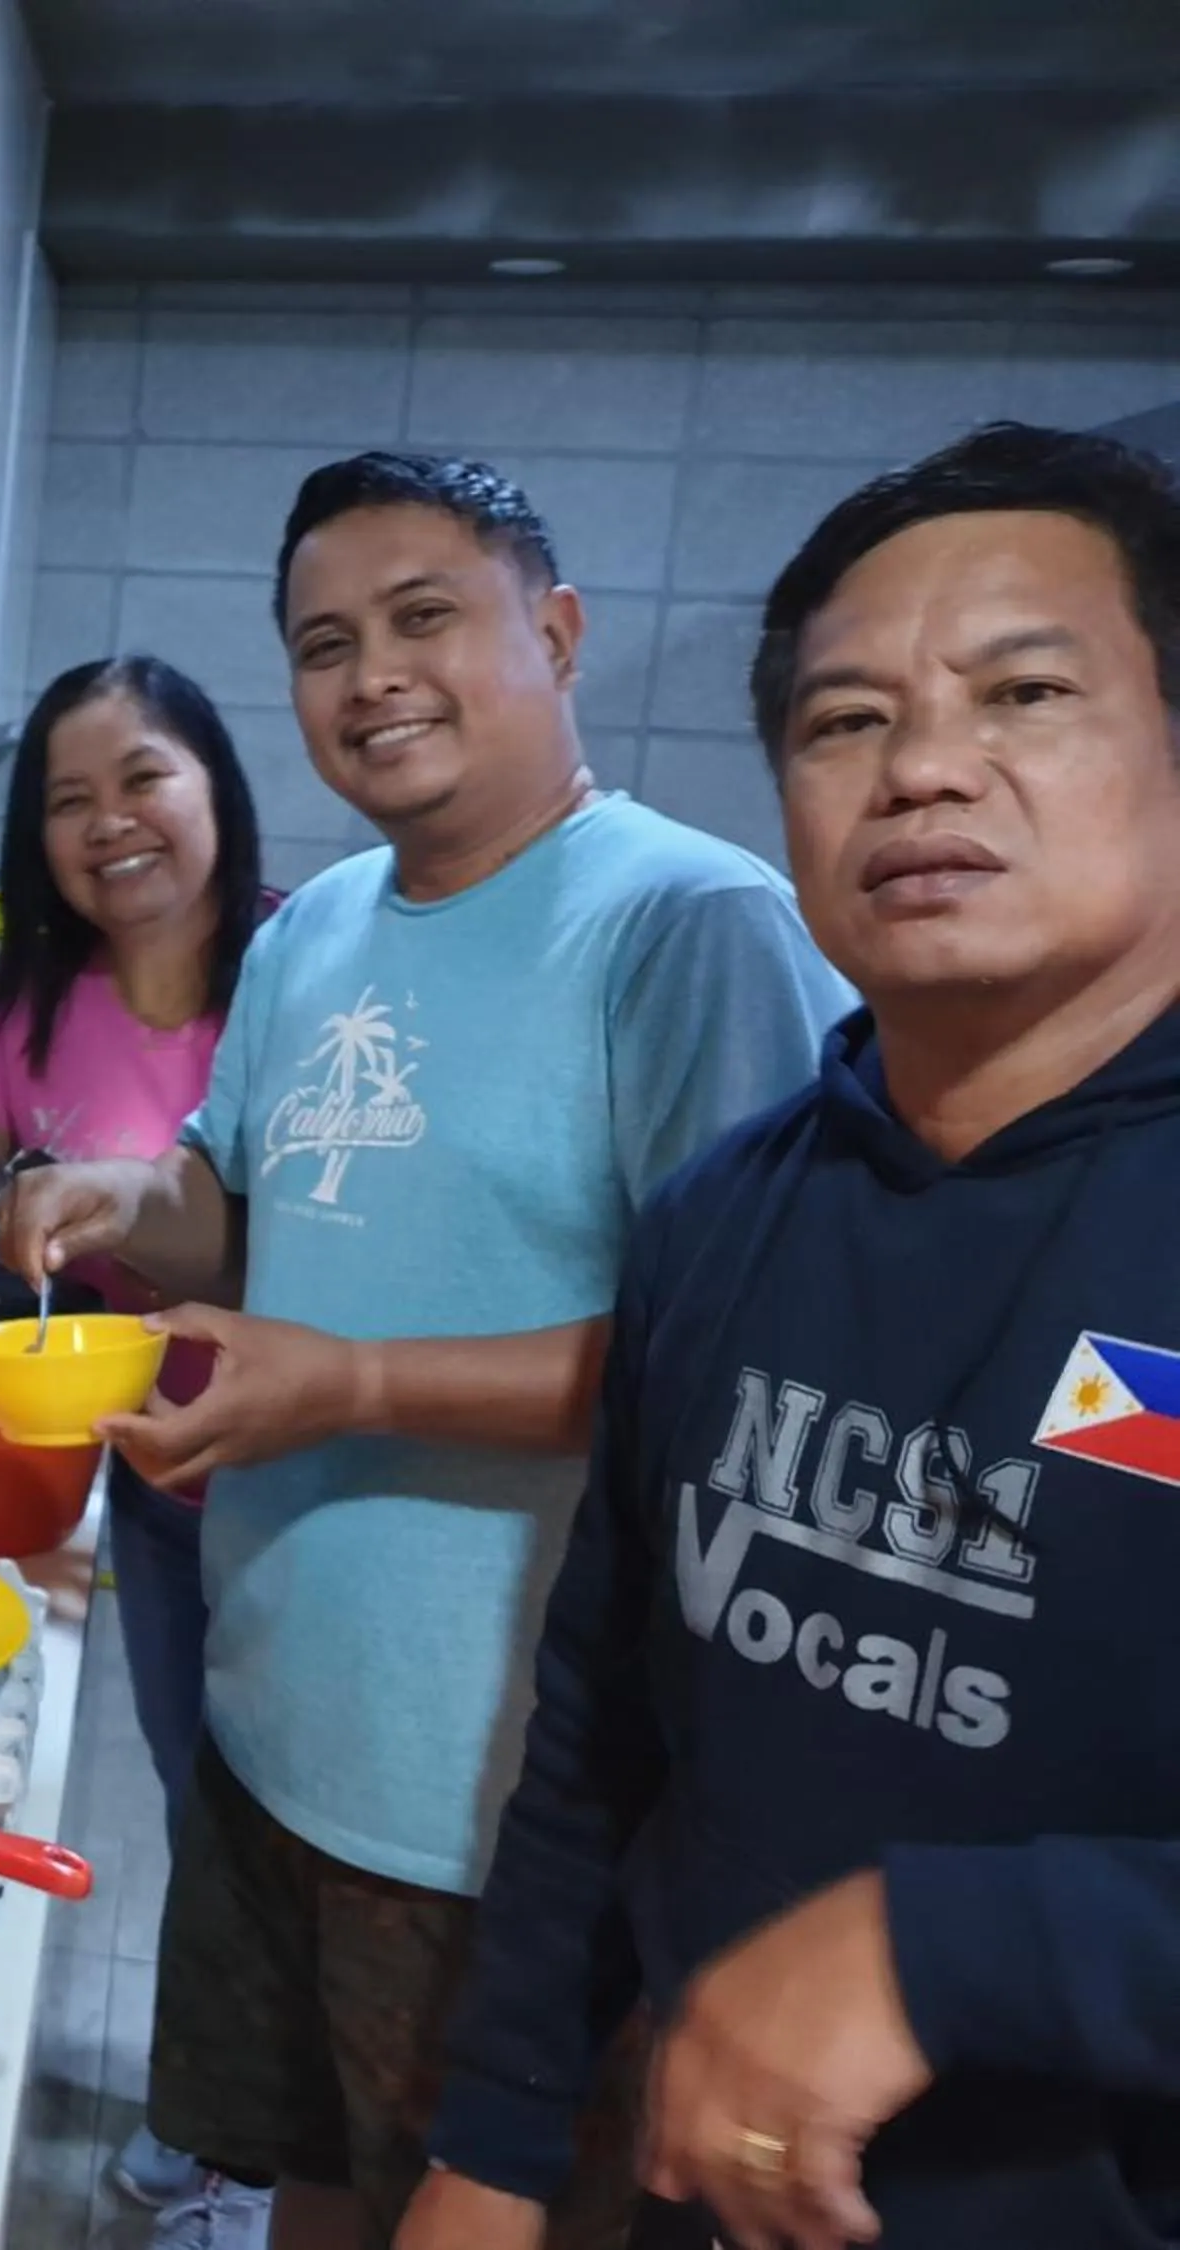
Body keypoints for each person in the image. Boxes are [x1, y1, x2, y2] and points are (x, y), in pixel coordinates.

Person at [0, 453, 852, 2250]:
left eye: (422, 618)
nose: (372, 674)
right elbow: (233, 1204)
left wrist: (358, 1385)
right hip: (273, 1728)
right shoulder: (315, 928)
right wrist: (119, 1193)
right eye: (325, 644)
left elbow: (741, 1374)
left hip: (501, 1809)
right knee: (311, 2186)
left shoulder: (686, 922)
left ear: (558, 632)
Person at [401, 421, 1180, 2250]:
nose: (922, 767)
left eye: (1025, 692)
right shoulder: (722, 1219)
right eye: (846, 720)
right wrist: (496, 2140)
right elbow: (604, 1731)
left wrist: (947, 1947)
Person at [0, 654, 273, 2242]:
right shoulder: (33, 1011)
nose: (111, 821)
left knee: (294, 1822)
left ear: (214, 787)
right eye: (70, 798)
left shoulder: (303, 973)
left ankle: (266, 2147)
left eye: (144, 777)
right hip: (160, 1478)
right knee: (206, 1802)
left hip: (312, 1470)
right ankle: (218, 2121)